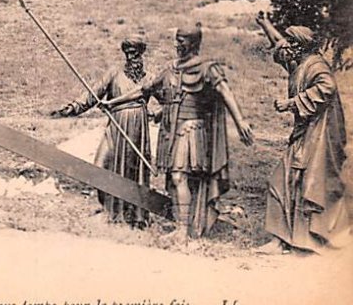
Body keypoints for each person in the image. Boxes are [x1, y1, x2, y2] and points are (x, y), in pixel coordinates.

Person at [106, 23, 254, 241]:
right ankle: (183, 227)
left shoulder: (207, 68)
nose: (176, 44)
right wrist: (113, 102)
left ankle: (184, 231)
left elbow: (225, 91)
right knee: (175, 179)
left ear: (193, 42)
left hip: (191, 130)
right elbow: (143, 90)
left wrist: (240, 120)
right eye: (176, 39)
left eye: (181, 40)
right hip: (172, 130)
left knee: (179, 176)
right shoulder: (172, 68)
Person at [255, 12, 350, 254]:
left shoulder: (316, 66)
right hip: (305, 132)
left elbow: (326, 88)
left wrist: (292, 103)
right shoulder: (300, 61)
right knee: (288, 181)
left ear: (300, 46)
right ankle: (283, 239)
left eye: (290, 42)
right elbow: (280, 45)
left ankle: (308, 239)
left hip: (319, 136)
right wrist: (265, 24)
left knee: (298, 180)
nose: (285, 46)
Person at [51, 34, 153, 227]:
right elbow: (94, 93)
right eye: (128, 53)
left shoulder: (150, 78)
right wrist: (73, 108)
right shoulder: (114, 73)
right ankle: (109, 210)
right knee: (100, 165)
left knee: (133, 171)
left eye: (135, 53)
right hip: (117, 125)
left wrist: (159, 114)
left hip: (139, 127)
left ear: (141, 53)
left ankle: (135, 217)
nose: (131, 57)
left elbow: (166, 98)